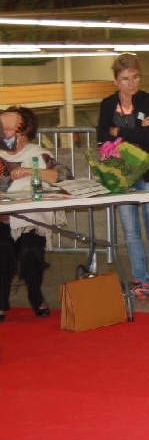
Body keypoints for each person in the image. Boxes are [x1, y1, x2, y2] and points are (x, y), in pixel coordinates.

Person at [96, 53, 149, 305]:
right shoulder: (107, 104)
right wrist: (136, 132)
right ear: (116, 80)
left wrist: (119, 132)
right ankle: (140, 279)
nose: (132, 83)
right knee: (130, 232)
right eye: (125, 79)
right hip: (122, 174)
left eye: (135, 77)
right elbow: (101, 136)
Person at [0, 106, 72, 322]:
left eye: (6, 129)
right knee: (2, 250)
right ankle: (1, 302)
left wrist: (32, 172)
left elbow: (65, 175)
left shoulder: (38, 155)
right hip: (2, 220)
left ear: (22, 135)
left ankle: (35, 293)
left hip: (31, 219)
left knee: (31, 251)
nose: (2, 134)